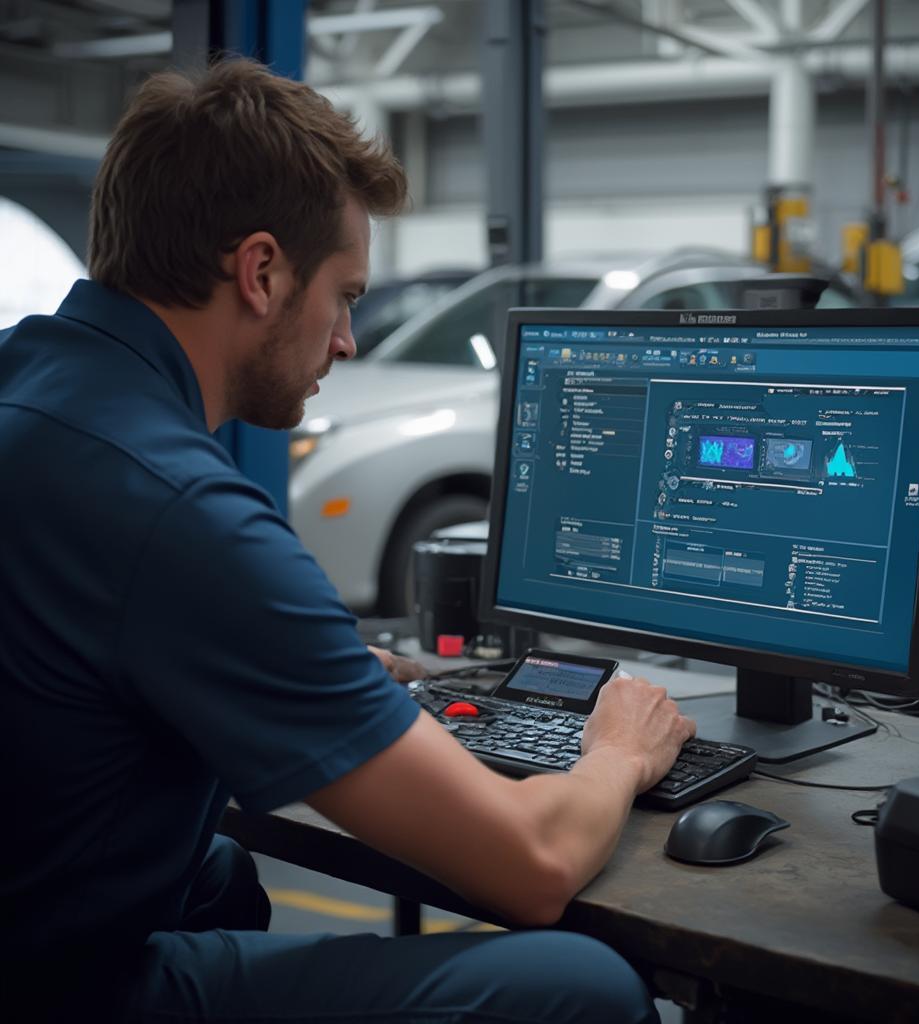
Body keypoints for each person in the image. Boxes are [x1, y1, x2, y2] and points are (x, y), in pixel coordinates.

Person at [0, 59, 694, 1023]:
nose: (348, 341)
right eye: (347, 296)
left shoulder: (27, 386)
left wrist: (300, 666)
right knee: (584, 991)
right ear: (260, 271)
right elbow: (534, 868)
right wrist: (619, 750)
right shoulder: (179, 509)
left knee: (220, 876)